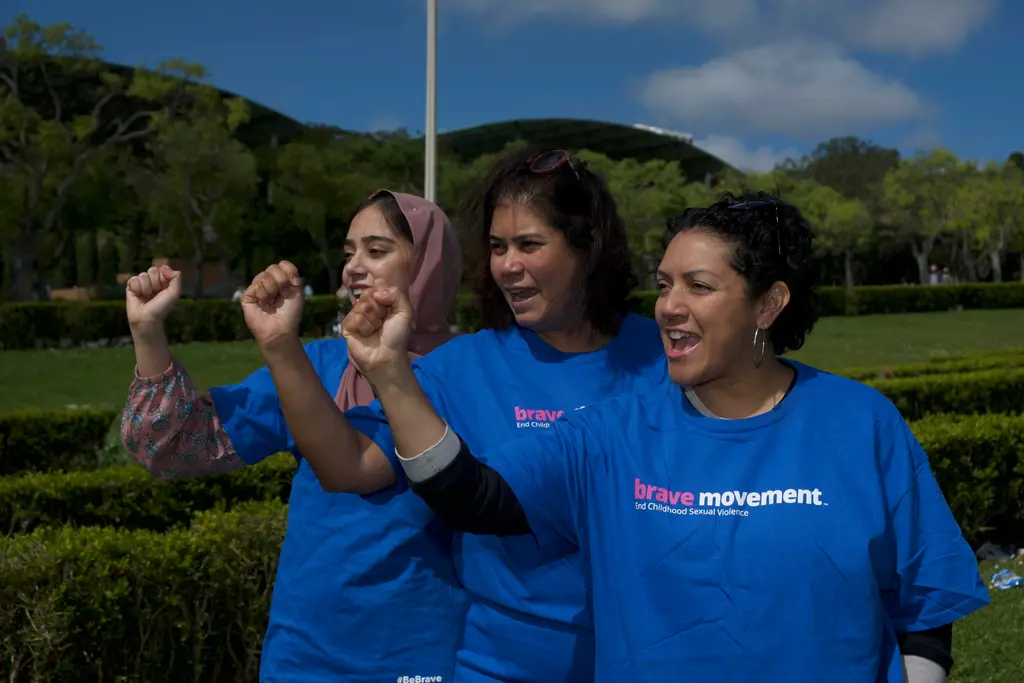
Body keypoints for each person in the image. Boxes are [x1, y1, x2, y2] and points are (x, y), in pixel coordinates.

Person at [341, 193, 990, 683]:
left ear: (768, 305)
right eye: (663, 284)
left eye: (699, 286)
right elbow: (470, 497)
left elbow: (924, 609)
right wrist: (392, 374)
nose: (668, 306)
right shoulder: (613, 431)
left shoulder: (861, 422)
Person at [251, 147, 669, 682]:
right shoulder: (465, 365)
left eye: (529, 244)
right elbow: (348, 467)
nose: (508, 266)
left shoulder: (665, 357)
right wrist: (281, 344)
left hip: (637, 656)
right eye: (497, 247)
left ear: (588, 242)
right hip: (495, 664)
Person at [119, 190, 466, 683]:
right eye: (348, 253)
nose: (354, 268)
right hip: (303, 657)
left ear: (430, 262)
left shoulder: (464, 373)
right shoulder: (317, 366)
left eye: (377, 250)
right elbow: (171, 447)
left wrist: (283, 347)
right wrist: (149, 332)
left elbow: (360, 468)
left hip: (414, 658)